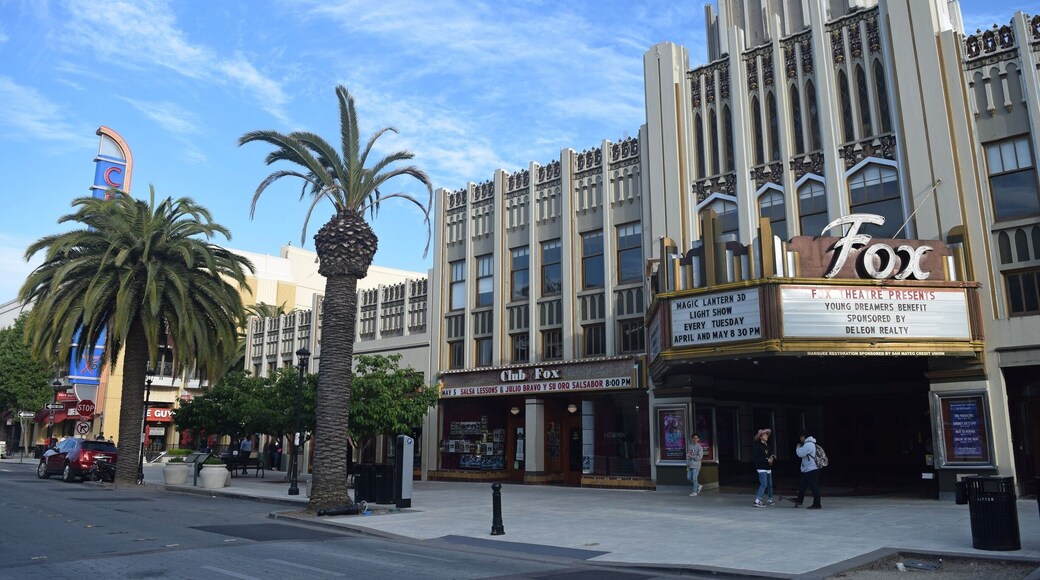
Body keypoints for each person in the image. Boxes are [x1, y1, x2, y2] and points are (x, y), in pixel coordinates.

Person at [795, 430, 822, 509]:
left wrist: (797, 448)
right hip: (807, 469)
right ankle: (799, 500)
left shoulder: (808, 444)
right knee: (802, 486)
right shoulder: (810, 443)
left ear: (803, 437)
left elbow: (800, 454)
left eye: (800, 437)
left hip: (811, 469)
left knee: (814, 487)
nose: (800, 439)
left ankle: (817, 504)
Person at [752, 428, 776, 507]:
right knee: (764, 484)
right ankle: (757, 500)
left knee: (770, 484)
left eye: (767, 434)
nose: (766, 436)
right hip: (761, 467)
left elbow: (769, 454)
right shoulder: (756, 446)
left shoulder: (767, 445)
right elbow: (756, 458)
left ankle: (770, 499)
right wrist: (767, 460)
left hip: (768, 467)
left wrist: (771, 458)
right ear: (760, 437)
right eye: (764, 435)